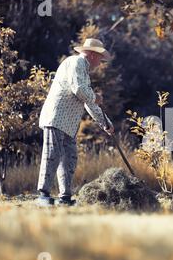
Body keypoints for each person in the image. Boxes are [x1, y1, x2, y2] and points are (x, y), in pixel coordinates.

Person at [36, 38, 115, 206]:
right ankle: (43, 195)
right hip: (56, 118)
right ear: (93, 55)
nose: (100, 63)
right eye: (100, 58)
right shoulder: (76, 62)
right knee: (52, 155)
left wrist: (105, 123)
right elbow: (79, 90)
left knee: (69, 159)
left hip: (69, 124)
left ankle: (64, 198)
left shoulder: (84, 72)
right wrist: (96, 97)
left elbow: (88, 102)